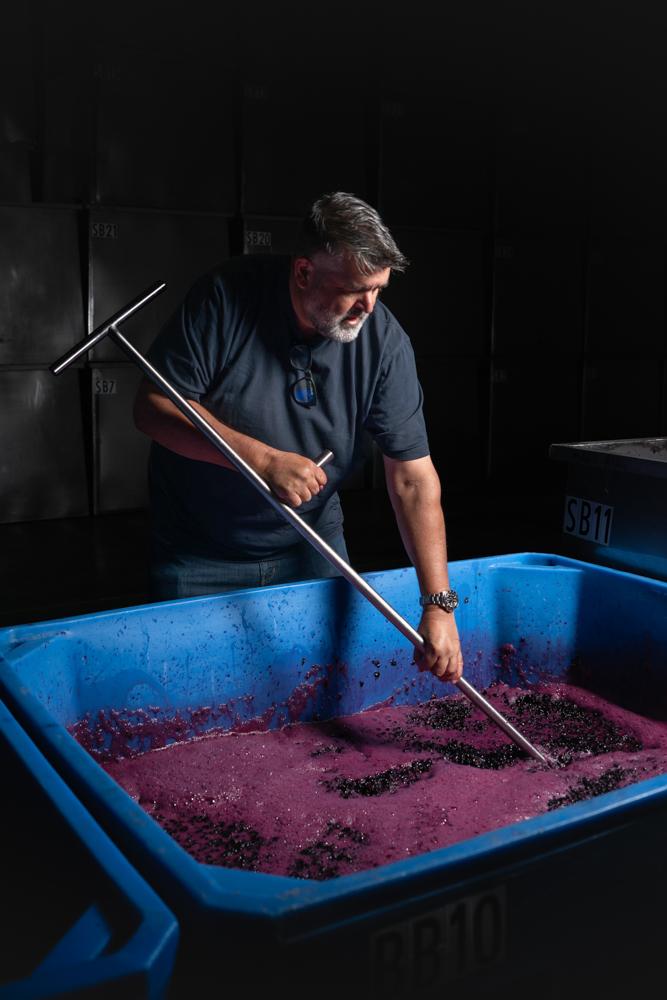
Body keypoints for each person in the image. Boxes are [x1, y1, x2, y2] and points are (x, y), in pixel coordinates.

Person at [134, 191, 463, 684]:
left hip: (311, 543)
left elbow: (413, 478)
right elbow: (153, 409)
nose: (367, 307)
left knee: (322, 689)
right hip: (199, 550)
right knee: (191, 694)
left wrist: (439, 606)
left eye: (378, 289)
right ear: (304, 272)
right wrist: (260, 461)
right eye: (354, 289)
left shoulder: (385, 342)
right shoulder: (224, 297)